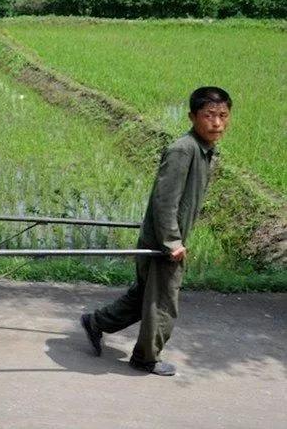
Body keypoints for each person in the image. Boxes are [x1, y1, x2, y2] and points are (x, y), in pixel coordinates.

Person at [80, 86, 232, 376]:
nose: (217, 123)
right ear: (192, 116)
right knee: (162, 301)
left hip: (163, 238)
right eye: (209, 115)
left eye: (223, 116)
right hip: (164, 243)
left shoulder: (203, 150)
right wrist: (172, 241)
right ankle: (145, 358)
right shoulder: (183, 150)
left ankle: (96, 322)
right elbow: (165, 199)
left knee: (143, 298)